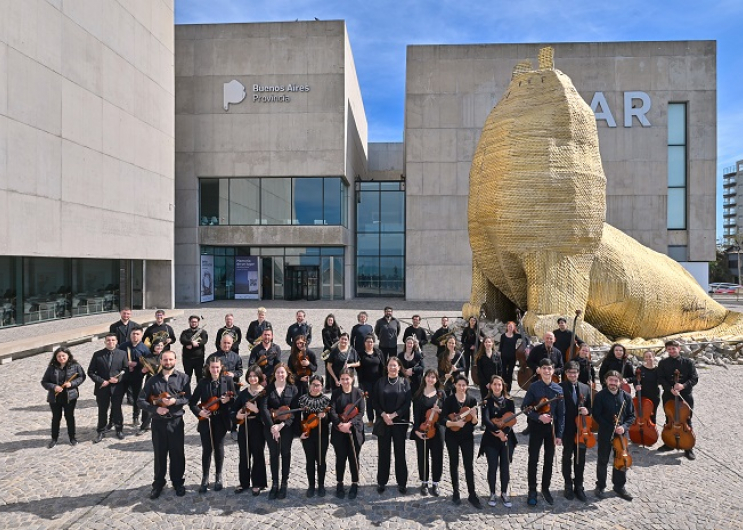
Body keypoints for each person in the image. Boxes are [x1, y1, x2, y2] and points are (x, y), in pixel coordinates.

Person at [137, 350, 192, 499]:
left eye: (170, 360)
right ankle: (158, 484)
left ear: (176, 360)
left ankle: (178, 482)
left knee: (177, 454)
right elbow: (140, 401)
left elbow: (188, 398)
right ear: (161, 361)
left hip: (176, 422)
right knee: (160, 454)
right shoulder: (152, 380)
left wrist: (176, 401)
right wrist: (155, 409)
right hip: (158, 423)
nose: (168, 362)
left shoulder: (183, 378)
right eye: (165, 360)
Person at [521, 358, 565, 506]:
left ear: (553, 371)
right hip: (536, 427)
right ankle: (532, 490)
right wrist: (538, 416)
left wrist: (559, 434)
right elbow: (524, 408)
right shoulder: (534, 387)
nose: (547, 371)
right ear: (539, 370)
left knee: (549, 460)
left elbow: (561, 414)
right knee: (533, 459)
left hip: (551, 430)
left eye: (549, 368)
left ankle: (545, 488)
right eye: (544, 368)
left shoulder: (559, 390)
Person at [189, 356, 236, 493]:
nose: (215, 370)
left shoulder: (227, 380)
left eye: (217, 367)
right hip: (206, 419)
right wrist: (199, 412)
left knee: (219, 447)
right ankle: (205, 477)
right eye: (212, 367)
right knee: (207, 449)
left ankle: (219, 476)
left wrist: (228, 401)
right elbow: (192, 403)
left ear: (221, 367)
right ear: (208, 368)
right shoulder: (203, 382)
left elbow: (236, 399)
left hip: (220, 420)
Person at [593, 370, 635, 501]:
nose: (613, 383)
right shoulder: (600, 396)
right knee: (603, 460)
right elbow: (596, 415)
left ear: (620, 382)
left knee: (621, 460)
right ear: (606, 381)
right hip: (605, 433)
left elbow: (631, 416)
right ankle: (600, 485)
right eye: (610, 380)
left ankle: (619, 486)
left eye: (616, 380)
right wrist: (611, 426)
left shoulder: (626, 397)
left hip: (621, 435)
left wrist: (624, 427)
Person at [441, 374, 481, 508]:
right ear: (455, 385)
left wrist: (474, 417)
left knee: (468, 465)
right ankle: (456, 492)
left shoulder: (472, 401)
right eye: (459, 385)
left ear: (467, 386)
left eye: (464, 385)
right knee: (454, 463)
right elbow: (443, 419)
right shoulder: (449, 400)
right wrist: (454, 425)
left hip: (467, 437)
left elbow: (475, 423)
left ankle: (472, 494)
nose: (461, 387)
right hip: (451, 437)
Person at [260, 363, 300, 499]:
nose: (280, 375)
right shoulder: (268, 389)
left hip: (286, 428)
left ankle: (284, 483)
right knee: (273, 454)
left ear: (287, 374)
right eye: (278, 372)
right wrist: (272, 426)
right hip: (270, 428)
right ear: (274, 374)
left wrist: (281, 425)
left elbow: (294, 412)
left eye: (283, 372)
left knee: (285, 453)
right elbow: (264, 408)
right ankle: (275, 484)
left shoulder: (293, 389)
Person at [373, 356, 411, 494]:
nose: (392, 367)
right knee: (383, 453)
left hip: (399, 423)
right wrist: (384, 415)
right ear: (387, 367)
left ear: (399, 368)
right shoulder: (380, 382)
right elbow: (374, 401)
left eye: (395, 365)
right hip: (384, 422)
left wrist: (394, 415)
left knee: (399, 453)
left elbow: (407, 404)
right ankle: (382, 482)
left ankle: (402, 482)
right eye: (390, 365)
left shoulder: (405, 383)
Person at [657, 339, 698, 459]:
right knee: (669, 419)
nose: (671, 351)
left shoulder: (688, 362)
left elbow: (694, 378)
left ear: (679, 348)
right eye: (669, 349)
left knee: (686, 420)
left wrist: (683, 385)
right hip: (669, 395)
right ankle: (669, 443)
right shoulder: (663, 363)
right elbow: (660, 378)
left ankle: (688, 447)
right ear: (666, 350)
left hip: (685, 395)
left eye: (673, 348)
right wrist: (670, 388)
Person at [480, 375, 517, 508]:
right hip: (491, 439)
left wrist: (505, 433)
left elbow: (512, 419)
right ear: (490, 386)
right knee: (492, 466)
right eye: (494, 384)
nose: (497, 386)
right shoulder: (486, 401)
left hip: (507, 438)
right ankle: (492, 493)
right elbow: (486, 420)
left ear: (503, 386)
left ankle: (504, 492)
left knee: (505, 467)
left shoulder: (509, 401)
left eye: (499, 384)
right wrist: (498, 432)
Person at [330, 370, 366, 499]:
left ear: (352, 379)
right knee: (340, 458)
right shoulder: (335, 393)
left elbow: (361, 413)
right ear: (339, 380)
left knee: (354, 458)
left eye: (347, 379)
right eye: (343, 379)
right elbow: (332, 411)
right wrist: (340, 424)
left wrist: (349, 424)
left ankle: (354, 483)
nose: (345, 381)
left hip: (354, 431)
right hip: (339, 431)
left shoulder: (358, 394)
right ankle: (339, 483)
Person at [232, 365, 267, 496]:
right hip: (245, 425)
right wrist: (237, 416)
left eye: (255, 376)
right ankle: (244, 482)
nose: (252, 378)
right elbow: (233, 409)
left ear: (259, 377)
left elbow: (268, 414)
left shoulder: (264, 392)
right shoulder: (243, 393)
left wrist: (256, 410)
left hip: (258, 426)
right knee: (244, 454)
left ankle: (258, 483)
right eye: (250, 376)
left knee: (258, 454)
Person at [560, 361, 592, 502]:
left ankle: (579, 485)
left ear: (578, 373)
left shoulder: (585, 388)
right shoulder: (560, 388)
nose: (573, 375)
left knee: (581, 459)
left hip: (582, 430)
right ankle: (568, 484)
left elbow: (591, 408)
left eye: (575, 372)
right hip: (567, 429)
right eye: (570, 372)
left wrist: (587, 411)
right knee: (567, 457)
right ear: (566, 373)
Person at [41, 347, 86, 448]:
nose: (61, 358)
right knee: (56, 418)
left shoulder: (75, 365)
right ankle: (54, 438)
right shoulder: (51, 368)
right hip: (55, 397)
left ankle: (72, 438)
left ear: (68, 356)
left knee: (69, 417)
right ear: (56, 357)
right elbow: (44, 382)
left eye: (63, 356)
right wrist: (54, 387)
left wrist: (72, 383)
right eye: (59, 356)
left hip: (70, 396)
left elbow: (82, 376)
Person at [88, 333, 128, 442]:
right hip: (102, 387)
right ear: (105, 342)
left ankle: (119, 429)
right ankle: (101, 431)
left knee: (117, 409)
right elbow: (91, 372)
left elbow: (126, 370)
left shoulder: (122, 354)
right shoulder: (97, 355)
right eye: (108, 340)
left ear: (116, 342)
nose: (110, 342)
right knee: (102, 410)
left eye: (113, 340)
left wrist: (118, 379)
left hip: (117, 388)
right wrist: (102, 381)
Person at [411, 369, 444, 497]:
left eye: (433, 377)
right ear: (425, 378)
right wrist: (416, 431)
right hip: (423, 429)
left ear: (436, 380)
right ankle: (424, 482)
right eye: (428, 377)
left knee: (437, 457)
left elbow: (446, 415)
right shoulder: (418, 396)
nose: (430, 379)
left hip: (438, 430)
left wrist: (440, 411)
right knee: (422, 456)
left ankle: (435, 483)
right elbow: (416, 416)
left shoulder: (441, 395)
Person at [298, 375, 331, 498]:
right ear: (309, 385)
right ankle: (311, 485)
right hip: (308, 434)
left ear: (322, 387)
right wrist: (300, 433)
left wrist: (325, 417)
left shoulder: (327, 401)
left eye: (318, 385)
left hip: (322, 435)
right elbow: (298, 419)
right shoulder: (302, 399)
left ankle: (321, 485)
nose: (316, 387)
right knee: (310, 460)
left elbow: (330, 419)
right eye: (313, 385)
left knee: (321, 460)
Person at [120, 325, 149, 426]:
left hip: (137, 376)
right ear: (130, 335)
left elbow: (147, 363)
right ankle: (115, 420)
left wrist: (137, 364)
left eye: (137, 334)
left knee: (137, 398)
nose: (135, 336)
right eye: (133, 334)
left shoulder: (145, 349)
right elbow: (117, 359)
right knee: (118, 398)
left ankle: (135, 417)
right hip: (124, 376)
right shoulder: (123, 346)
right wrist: (126, 364)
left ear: (141, 336)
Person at [138, 338, 165, 434]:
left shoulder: (165, 356)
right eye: (158, 345)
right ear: (153, 346)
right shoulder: (147, 357)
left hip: (162, 383)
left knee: (161, 403)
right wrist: (142, 371)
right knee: (147, 404)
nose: (160, 348)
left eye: (161, 346)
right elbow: (140, 374)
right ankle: (144, 426)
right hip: (150, 382)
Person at [358, 334, 385, 428]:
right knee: (369, 401)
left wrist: (384, 379)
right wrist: (360, 383)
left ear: (374, 343)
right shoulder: (361, 354)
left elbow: (383, 366)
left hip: (378, 381)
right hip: (366, 381)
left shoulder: (378, 352)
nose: (369, 343)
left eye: (371, 341)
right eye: (368, 341)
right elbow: (359, 369)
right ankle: (370, 419)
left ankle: (379, 418)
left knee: (378, 399)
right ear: (364, 343)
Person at [180, 315, 207, 385]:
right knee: (187, 377)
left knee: (200, 377)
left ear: (198, 323)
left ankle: (200, 394)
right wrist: (191, 342)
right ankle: (187, 394)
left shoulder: (203, 332)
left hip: (199, 358)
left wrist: (191, 344)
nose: (194, 323)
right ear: (189, 322)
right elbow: (182, 340)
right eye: (192, 322)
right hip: (187, 359)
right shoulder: (185, 332)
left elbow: (204, 341)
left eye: (195, 322)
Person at [636, 350, 661, 425]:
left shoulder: (658, 370)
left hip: (654, 396)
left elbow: (661, 381)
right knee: (641, 414)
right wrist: (636, 386)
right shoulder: (640, 369)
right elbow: (635, 380)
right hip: (642, 395)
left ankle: (652, 432)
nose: (648, 358)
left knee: (652, 415)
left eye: (650, 356)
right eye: (646, 357)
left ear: (654, 357)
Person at [475, 337, 502, 402]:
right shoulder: (480, 356)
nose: (487, 344)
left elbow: (500, 369)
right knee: (485, 401)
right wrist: (486, 383)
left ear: (492, 343)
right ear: (483, 344)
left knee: (495, 401)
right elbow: (479, 372)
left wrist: (496, 382)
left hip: (495, 383)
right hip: (484, 383)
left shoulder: (497, 355)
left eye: (489, 342)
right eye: (486, 342)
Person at [499, 321, 521, 392]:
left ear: (514, 328)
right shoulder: (503, 336)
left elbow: (524, 337)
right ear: (507, 327)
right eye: (509, 326)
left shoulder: (516, 336)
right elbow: (501, 346)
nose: (510, 328)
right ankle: (503, 386)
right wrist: (499, 354)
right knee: (504, 372)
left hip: (512, 357)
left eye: (512, 326)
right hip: (504, 356)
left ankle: (508, 388)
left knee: (510, 373)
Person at [460, 316, 481, 380]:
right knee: (467, 364)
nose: (472, 322)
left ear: (476, 322)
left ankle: (474, 378)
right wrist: (469, 346)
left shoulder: (478, 329)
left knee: (474, 364)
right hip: (467, 348)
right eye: (471, 320)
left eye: (474, 320)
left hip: (475, 349)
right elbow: (462, 340)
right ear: (469, 321)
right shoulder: (466, 329)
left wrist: (481, 340)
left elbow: (484, 336)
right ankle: (466, 377)